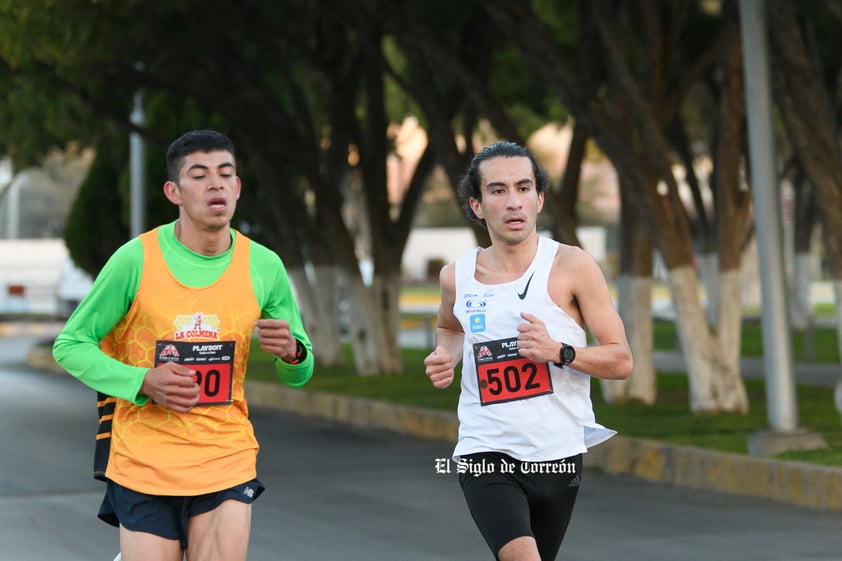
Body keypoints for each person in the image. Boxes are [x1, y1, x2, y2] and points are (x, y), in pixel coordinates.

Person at [53, 129, 314, 561]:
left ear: (237, 187)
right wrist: (143, 381)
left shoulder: (264, 265)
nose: (216, 184)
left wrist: (292, 351)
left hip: (224, 456)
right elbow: (71, 344)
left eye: (225, 174)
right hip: (143, 463)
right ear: (173, 191)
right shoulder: (135, 259)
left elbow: (300, 372)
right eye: (200, 175)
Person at [424, 141, 632, 561]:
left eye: (523, 188)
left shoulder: (573, 267)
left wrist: (560, 352)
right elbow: (449, 327)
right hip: (485, 451)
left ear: (539, 199)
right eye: (498, 191)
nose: (513, 201)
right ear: (477, 205)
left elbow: (621, 360)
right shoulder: (456, 277)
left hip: (557, 455)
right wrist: (445, 354)